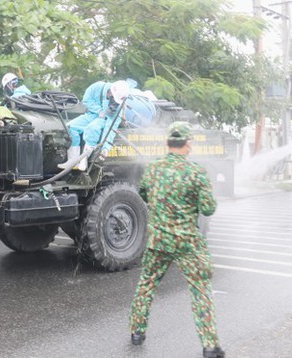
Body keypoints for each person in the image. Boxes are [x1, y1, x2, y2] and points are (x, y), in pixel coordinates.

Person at [129, 121, 224, 358]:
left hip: (158, 240)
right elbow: (209, 208)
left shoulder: (153, 169)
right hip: (187, 242)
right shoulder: (196, 172)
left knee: (147, 284)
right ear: (188, 143)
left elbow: (142, 194)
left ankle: (137, 333)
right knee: (200, 289)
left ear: (168, 142)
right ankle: (210, 346)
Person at [57, 80, 130, 171]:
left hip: (104, 120)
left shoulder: (118, 107)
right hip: (92, 114)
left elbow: (111, 127)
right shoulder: (97, 87)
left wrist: (106, 148)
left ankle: (83, 160)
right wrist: (99, 110)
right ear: (111, 91)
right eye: (112, 97)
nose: (113, 101)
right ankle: (73, 160)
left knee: (92, 129)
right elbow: (86, 100)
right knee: (70, 127)